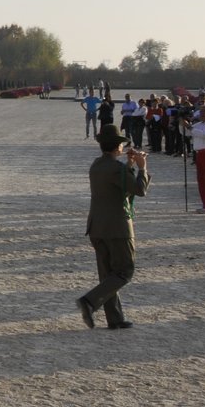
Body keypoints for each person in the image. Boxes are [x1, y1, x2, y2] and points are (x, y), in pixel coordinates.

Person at [77, 127, 149, 329]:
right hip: (117, 227)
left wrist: (129, 165)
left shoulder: (97, 165)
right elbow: (139, 190)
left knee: (107, 274)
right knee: (124, 271)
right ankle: (90, 301)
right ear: (117, 146)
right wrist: (142, 167)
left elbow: (120, 184)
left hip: (97, 226)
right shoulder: (115, 168)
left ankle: (114, 318)